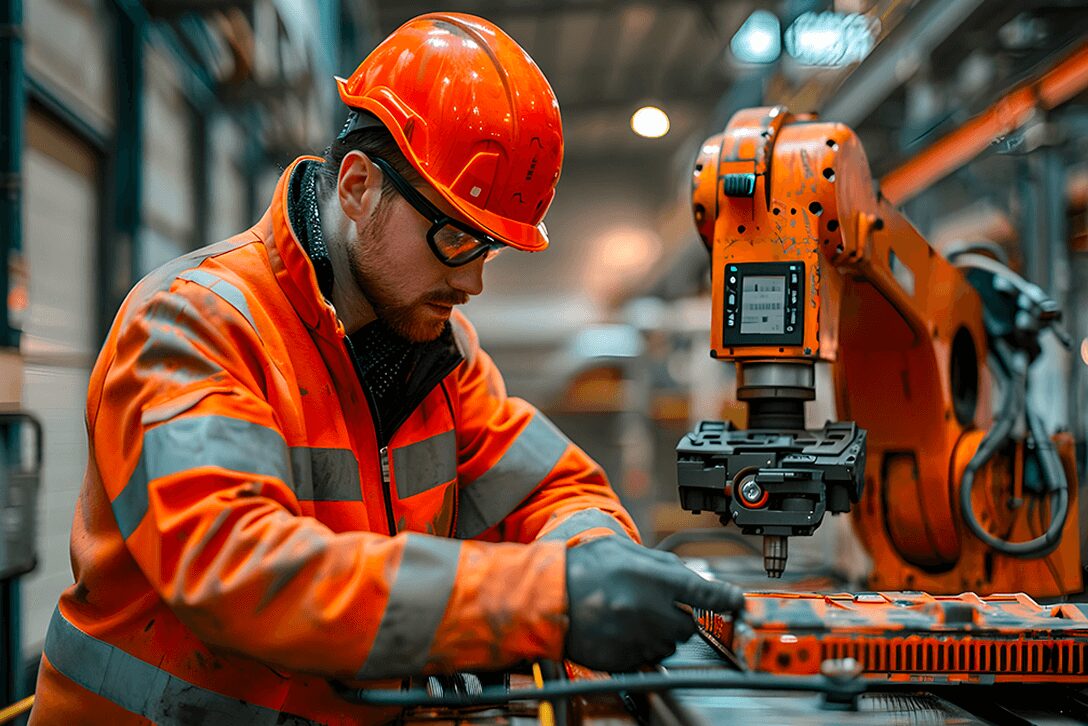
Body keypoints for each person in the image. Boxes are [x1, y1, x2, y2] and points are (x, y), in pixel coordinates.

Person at [30, 12, 742, 724]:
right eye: (456, 238)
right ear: (358, 185)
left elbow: (552, 492)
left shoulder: (442, 356)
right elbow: (240, 574)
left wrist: (601, 579)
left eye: (488, 249)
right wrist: (548, 599)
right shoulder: (196, 325)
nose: (473, 284)